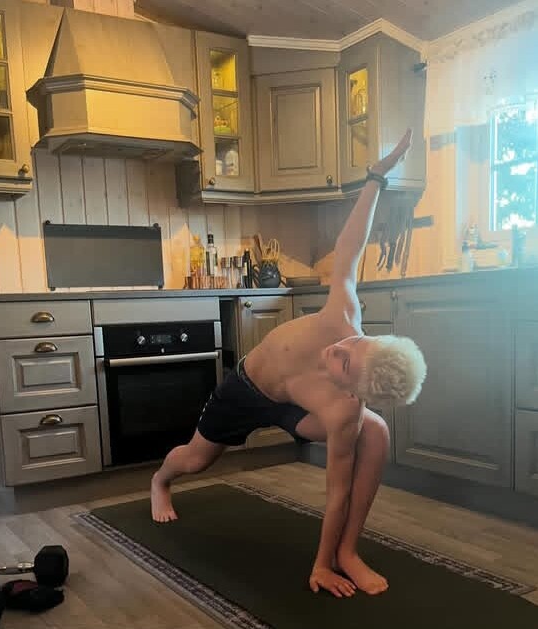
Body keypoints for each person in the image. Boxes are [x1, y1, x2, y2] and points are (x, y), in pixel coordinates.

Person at [151, 128, 427, 598]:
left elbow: (336, 492)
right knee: (196, 460)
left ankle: (346, 553)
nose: (337, 351)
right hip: (247, 390)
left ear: (353, 392)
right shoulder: (343, 314)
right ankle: (160, 480)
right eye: (354, 344)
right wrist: (376, 178)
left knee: (375, 433)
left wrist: (321, 566)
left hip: (297, 409)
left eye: (345, 367)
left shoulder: (344, 411)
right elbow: (350, 246)